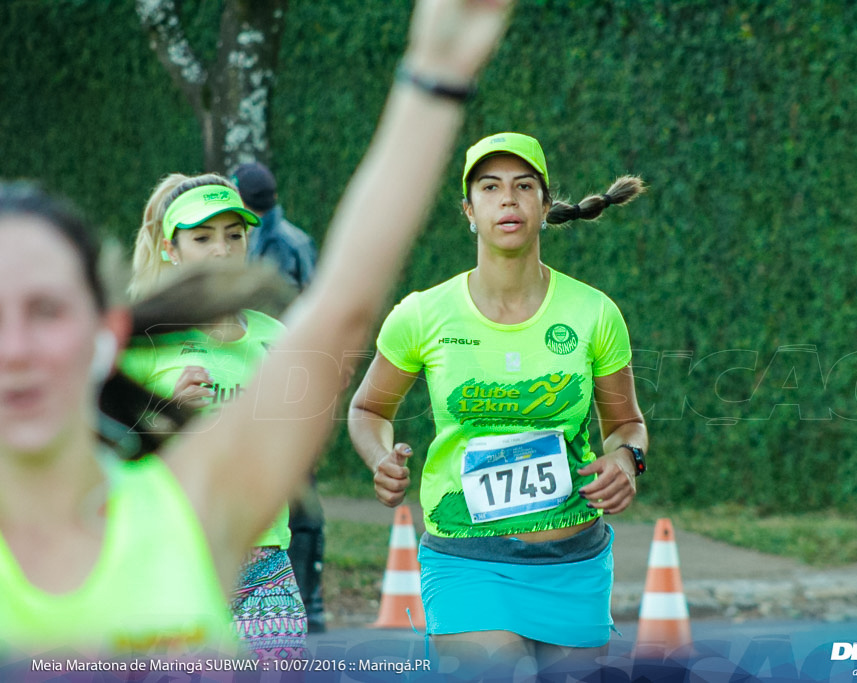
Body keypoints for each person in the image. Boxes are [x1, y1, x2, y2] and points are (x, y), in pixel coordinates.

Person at [0, 0, 513, 661]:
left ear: (104, 335)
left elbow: (343, 307)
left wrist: (435, 72)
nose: (15, 347)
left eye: (46, 310)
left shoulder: (188, 511)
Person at [348, 131, 649, 670]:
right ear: (469, 209)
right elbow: (368, 410)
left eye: (523, 185)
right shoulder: (423, 314)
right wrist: (380, 458)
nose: (507, 199)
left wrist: (627, 459)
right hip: (467, 559)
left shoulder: (594, 313)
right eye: (489, 187)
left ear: (544, 203)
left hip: (573, 560)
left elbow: (627, 423)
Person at [120, 173, 309, 660]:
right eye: (202, 239)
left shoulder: (276, 336)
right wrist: (162, 413)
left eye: (234, 235)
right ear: (171, 249)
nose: (222, 250)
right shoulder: (143, 341)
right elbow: (102, 458)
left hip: (265, 561)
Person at [231, 161, 327, 633]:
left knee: (300, 494)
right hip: (244, 370)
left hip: (288, 371)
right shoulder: (234, 236)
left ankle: (311, 599)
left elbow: (317, 302)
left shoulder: (292, 242)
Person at [231, 161, 318, 293]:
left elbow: (274, 303)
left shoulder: (273, 243)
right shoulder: (296, 236)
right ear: (274, 196)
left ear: (240, 201)